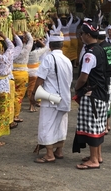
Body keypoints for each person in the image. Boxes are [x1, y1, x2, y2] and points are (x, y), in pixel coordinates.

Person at [31, 29, 73, 163]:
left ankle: (49, 154)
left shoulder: (49, 58)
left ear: (50, 45)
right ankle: (59, 150)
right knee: (61, 124)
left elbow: (40, 79)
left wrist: (33, 93)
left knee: (47, 124)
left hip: (50, 98)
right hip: (64, 97)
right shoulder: (67, 60)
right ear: (61, 45)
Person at [73, 20, 108, 170]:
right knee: (99, 126)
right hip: (101, 93)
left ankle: (93, 159)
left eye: (82, 33)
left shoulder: (90, 53)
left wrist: (76, 87)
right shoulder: (100, 49)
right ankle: (97, 156)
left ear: (87, 35)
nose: (81, 36)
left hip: (92, 95)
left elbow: (84, 76)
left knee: (92, 126)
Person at [12, 31, 33, 122]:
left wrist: (12, 33)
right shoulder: (26, 50)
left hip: (12, 74)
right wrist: (26, 32)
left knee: (11, 95)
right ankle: (15, 116)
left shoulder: (11, 50)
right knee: (19, 96)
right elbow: (31, 40)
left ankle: (10, 116)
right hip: (23, 75)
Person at [97, 30, 111, 134]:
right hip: (110, 75)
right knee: (108, 100)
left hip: (103, 77)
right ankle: (107, 124)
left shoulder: (99, 48)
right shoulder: (109, 45)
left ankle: (104, 126)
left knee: (103, 100)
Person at [27, 38, 49, 112]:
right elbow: (46, 47)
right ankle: (31, 106)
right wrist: (38, 40)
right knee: (33, 89)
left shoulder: (24, 52)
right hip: (34, 73)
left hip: (26, 72)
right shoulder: (36, 52)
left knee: (28, 89)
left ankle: (31, 104)